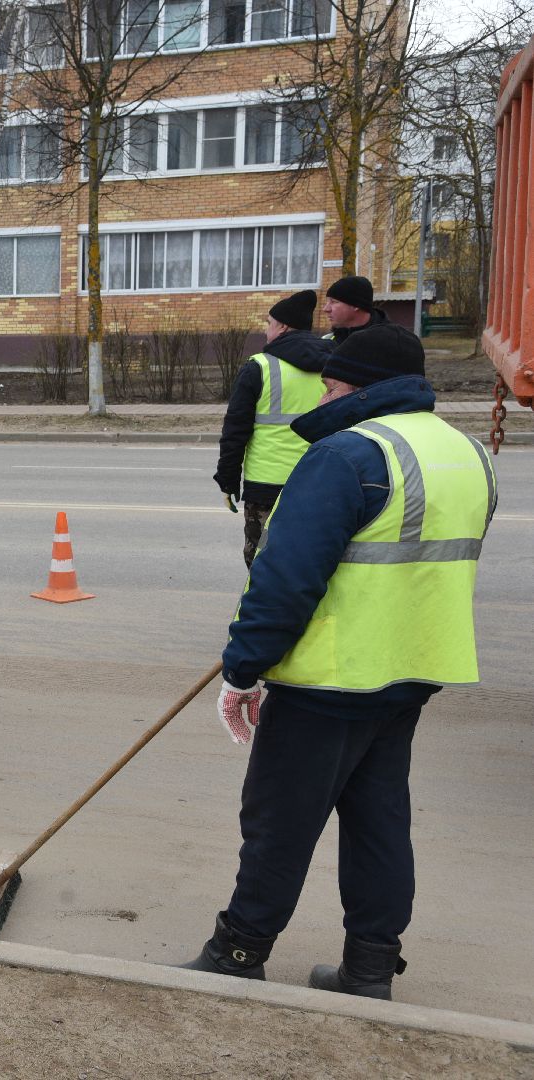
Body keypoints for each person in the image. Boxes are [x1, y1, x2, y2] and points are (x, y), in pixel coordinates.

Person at [183, 322, 496, 1000]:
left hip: (331, 676)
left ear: (358, 385)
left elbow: (285, 578)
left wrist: (243, 669)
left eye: (330, 380)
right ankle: (369, 969)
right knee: (379, 822)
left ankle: (239, 951)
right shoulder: (468, 452)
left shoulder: (348, 455)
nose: (320, 391)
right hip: (411, 672)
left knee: (279, 821)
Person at [214, 290, 331, 566]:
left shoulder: (260, 367)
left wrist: (228, 480)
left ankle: (265, 610)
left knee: (262, 560)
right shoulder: (332, 364)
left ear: (283, 326)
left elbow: (235, 430)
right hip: (318, 480)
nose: (267, 331)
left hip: (265, 485)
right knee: (311, 559)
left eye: (269, 323)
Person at [322, 275, 388, 344]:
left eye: (334, 302)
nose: (326, 309)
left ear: (356, 305)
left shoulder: (390, 342)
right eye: (327, 302)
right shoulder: (327, 340)